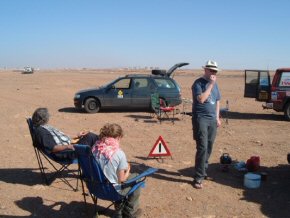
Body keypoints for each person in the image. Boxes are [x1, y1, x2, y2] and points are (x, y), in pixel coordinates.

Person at [92, 123, 142, 218]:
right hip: (113, 191)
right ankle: (130, 212)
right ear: (118, 137)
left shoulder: (95, 148)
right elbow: (121, 180)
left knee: (112, 176)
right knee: (136, 177)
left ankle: (119, 211)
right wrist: (128, 170)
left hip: (95, 188)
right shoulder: (119, 153)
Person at [191, 60, 222, 189]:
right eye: (212, 71)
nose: (214, 73)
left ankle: (203, 171)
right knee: (202, 147)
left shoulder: (216, 85)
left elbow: (217, 100)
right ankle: (198, 178)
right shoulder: (198, 83)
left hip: (212, 119)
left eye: (215, 71)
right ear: (206, 70)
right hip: (201, 118)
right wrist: (210, 84)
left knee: (209, 146)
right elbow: (202, 99)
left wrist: (217, 117)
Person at [32, 107, 98, 161]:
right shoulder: (42, 132)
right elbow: (53, 148)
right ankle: (96, 168)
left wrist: (77, 136)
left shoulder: (44, 126)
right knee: (92, 137)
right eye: (47, 116)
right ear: (43, 119)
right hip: (65, 153)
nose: (48, 118)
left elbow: (60, 138)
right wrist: (67, 146)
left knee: (89, 135)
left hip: (67, 147)